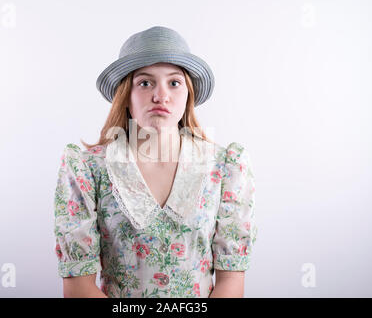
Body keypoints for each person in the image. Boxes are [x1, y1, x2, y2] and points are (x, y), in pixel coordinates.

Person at [53, 26, 257, 298]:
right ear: (126, 94)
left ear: (188, 95)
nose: (161, 96)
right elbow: (78, 286)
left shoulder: (225, 168)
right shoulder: (87, 169)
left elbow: (230, 281)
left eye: (174, 82)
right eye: (145, 83)